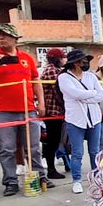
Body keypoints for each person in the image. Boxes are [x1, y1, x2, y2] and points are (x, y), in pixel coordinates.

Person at [0, 24, 50, 196]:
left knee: (34, 147)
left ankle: (40, 177)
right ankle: (10, 181)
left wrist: (41, 103)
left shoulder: (26, 58)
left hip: (28, 109)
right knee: (6, 148)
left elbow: (36, 82)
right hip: (3, 111)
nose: (1, 38)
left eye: (5, 35)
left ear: (15, 39)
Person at [57, 49, 103, 194]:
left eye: (86, 61)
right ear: (74, 63)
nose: (85, 63)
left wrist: (85, 96)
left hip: (95, 119)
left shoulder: (91, 77)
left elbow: (101, 95)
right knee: (77, 152)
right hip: (75, 120)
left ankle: (96, 179)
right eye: (81, 61)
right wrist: (91, 94)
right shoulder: (64, 78)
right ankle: (76, 180)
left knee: (94, 151)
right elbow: (73, 94)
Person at [39, 48, 67, 180]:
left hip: (56, 111)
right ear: (57, 58)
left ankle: (52, 168)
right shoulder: (52, 70)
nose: (64, 60)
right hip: (53, 111)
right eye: (63, 58)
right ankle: (51, 169)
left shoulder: (55, 70)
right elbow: (59, 90)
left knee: (55, 141)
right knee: (53, 141)